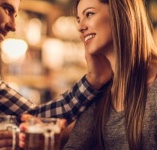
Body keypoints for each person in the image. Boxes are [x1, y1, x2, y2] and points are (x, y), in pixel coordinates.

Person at [0, 0, 112, 149]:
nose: (13, 26)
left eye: (15, 15)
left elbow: (32, 117)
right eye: (7, 10)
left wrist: (93, 80)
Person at [61, 0, 157, 149]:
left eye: (89, 14)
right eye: (78, 20)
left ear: (120, 12)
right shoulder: (100, 88)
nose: (80, 27)